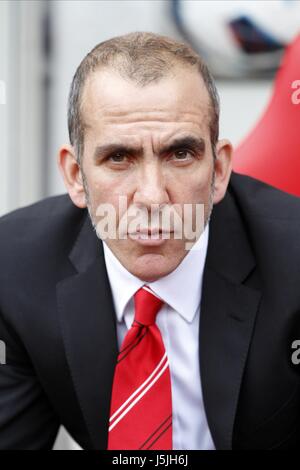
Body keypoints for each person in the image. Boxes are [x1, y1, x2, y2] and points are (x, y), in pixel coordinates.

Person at [0, 32, 299, 450]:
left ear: (219, 171)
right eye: (118, 158)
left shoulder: (293, 257)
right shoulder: (14, 267)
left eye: (180, 154)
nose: (153, 196)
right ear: (74, 176)